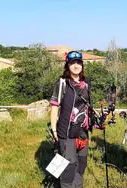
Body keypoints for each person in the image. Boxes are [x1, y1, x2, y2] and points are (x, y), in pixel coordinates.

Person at [50, 51, 90, 188]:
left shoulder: (86, 84)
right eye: (73, 63)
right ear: (68, 65)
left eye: (79, 62)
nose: (76, 65)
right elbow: (54, 107)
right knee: (68, 168)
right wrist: (54, 129)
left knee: (81, 165)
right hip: (66, 132)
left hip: (83, 132)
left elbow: (87, 107)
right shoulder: (62, 83)